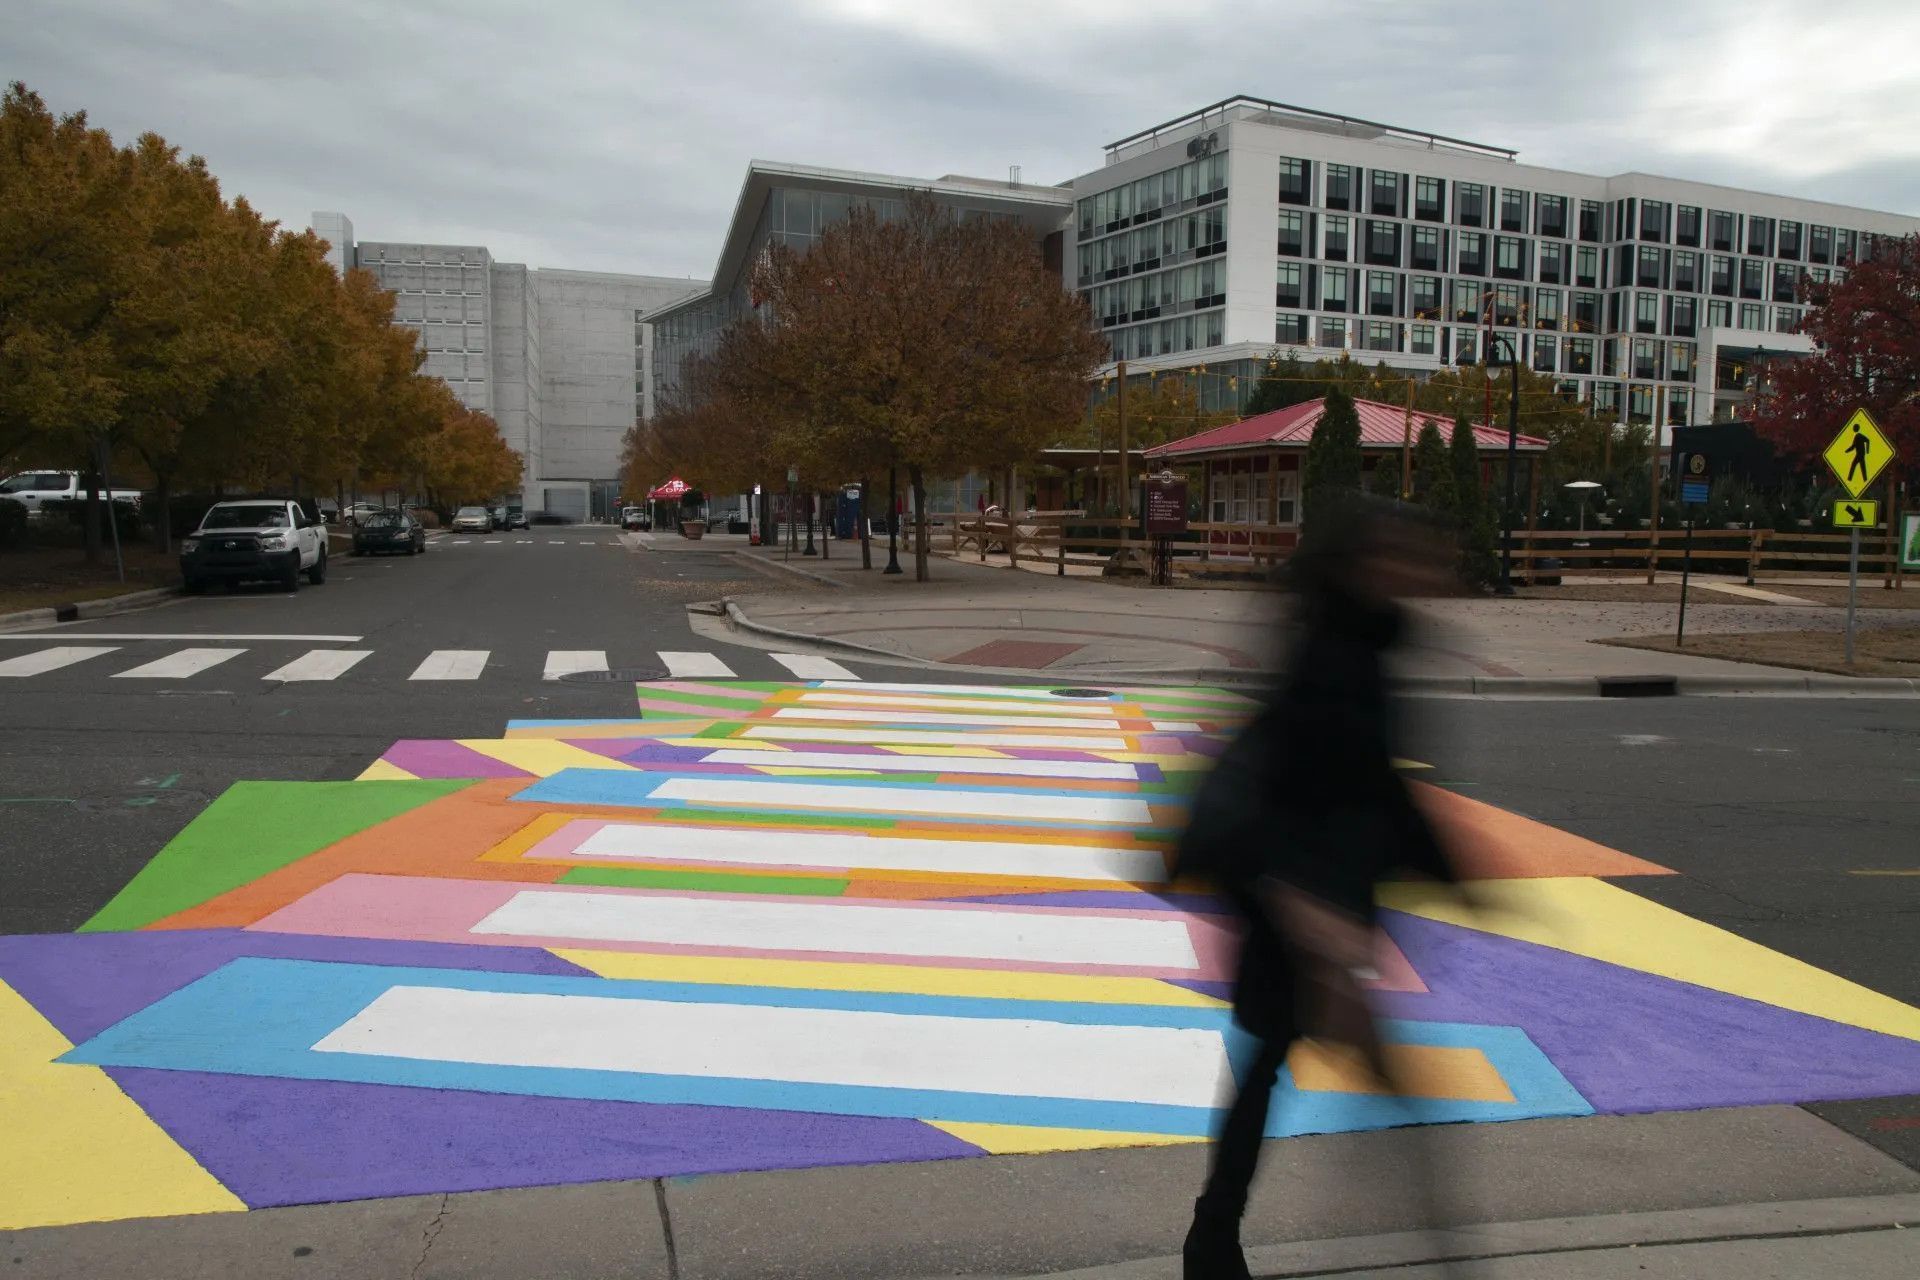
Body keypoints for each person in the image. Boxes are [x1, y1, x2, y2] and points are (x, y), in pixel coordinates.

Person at [1176, 495, 1465, 1280]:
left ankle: (1217, 1239)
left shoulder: (1357, 642)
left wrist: (1453, 870)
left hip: (1312, 898)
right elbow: (1319, 782)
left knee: (1284, 1065)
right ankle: (1431, 1243)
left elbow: (1377, 784)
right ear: (1363, 564)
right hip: (1297, 901)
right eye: (1402, 555)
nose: (1419, 570)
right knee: (1296, 1063)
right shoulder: (1331, 653)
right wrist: (1315, 915)